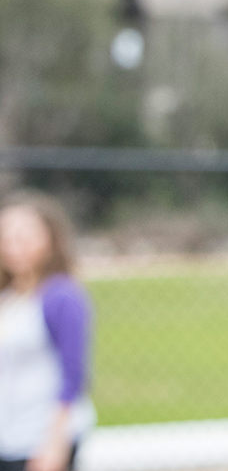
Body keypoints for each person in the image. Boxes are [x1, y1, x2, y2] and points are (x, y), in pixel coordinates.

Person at [0, 193, 96, 471]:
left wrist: (55, 444)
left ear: (50, 239)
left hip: (39, 441)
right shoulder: (9, 297)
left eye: (24, 236)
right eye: (6, 237)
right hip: (7, 437)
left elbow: (73, 376)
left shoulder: (61, 296)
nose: (13, 246)